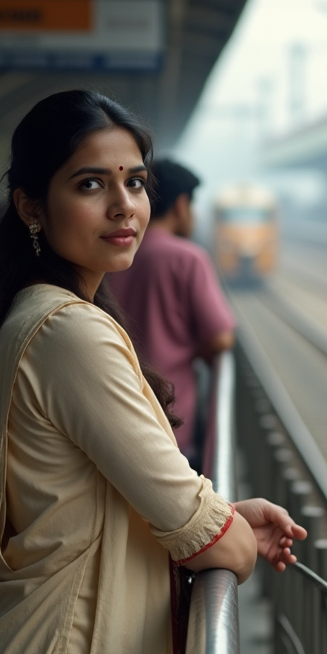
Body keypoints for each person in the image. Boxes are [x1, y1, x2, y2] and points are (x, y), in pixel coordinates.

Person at [0, 90, 304, 654]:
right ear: (29, 204)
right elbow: (213, 540)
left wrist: (226, 517)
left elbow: (111, 502)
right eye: (90, 184)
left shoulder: (37, 309)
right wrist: (228, 529)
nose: (124, 207)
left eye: (135, 182)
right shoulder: (70, 331)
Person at [107, 159, 236, 465]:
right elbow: (221, 338)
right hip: (169, 420)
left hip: (112, 413)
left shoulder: (115, 251)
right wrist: (190, 344)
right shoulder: (187, 257)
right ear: (180, 205)